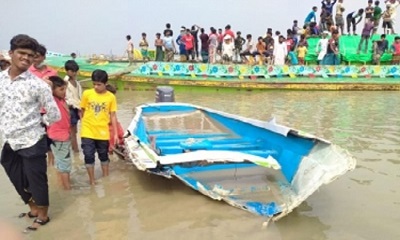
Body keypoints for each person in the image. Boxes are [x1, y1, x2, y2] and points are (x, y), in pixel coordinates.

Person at [0, 34, 61, 231]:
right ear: (11, 54)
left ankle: (43, 215)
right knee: (14, 174)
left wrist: (40, 124)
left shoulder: (38, 85)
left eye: (30, 55)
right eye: (22, 53)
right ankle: (33, 207)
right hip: (9, 140)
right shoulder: (0, 80)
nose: (26, 58)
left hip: (32, 139)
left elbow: (54, 114)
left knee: (37, 180)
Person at [80, 69, 118, 185]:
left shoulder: (111, 97)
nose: (96, 87)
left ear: (105, 84)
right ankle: (92, 181)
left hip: (102, 132)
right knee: (88, 155)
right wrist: (84, 124)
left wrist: (115, 134)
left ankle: (106, 179)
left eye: (99, 84)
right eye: (94, 84)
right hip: (88, 131)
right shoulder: (87, 94)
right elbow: (82, 111)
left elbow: (113, 116)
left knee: (103, 156)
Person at [29, 44, 57, 166]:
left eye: (38, 57)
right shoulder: (28, 72)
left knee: (51, 136)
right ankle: (42, 160)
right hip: (34, 110)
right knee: (37, 137)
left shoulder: (53, 72)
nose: (35, 59)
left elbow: (57, 91)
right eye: (33, 56)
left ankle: (52, 160)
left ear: (44, 57)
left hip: (49, 109)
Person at [47, 76, 71, 190]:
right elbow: (46, 85)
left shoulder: (61, 99)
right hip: (59, 137)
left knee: (60, 163)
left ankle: (61, 186)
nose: (64, 91)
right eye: (61, 89)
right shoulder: (51, 100)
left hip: (60, 136)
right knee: (65, 165)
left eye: (64, 89)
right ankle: (67, 189)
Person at [64, 60, 82, 153]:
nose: (74, 73)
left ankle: (73, 149)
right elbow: (67, 98)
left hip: (77, 108)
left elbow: (79, 97)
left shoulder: (77, 83)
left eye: (75, 71)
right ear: (67, 71)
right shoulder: (65, 83)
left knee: (74, 131)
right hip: (70, 109)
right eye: (72, 71)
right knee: (72, 131)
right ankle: (76, 151)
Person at [105, 84, 124, 154]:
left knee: (121, 139)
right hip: (109, 126)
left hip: (114, 124)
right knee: (110, 146)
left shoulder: (112, 102)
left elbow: (114, 115)